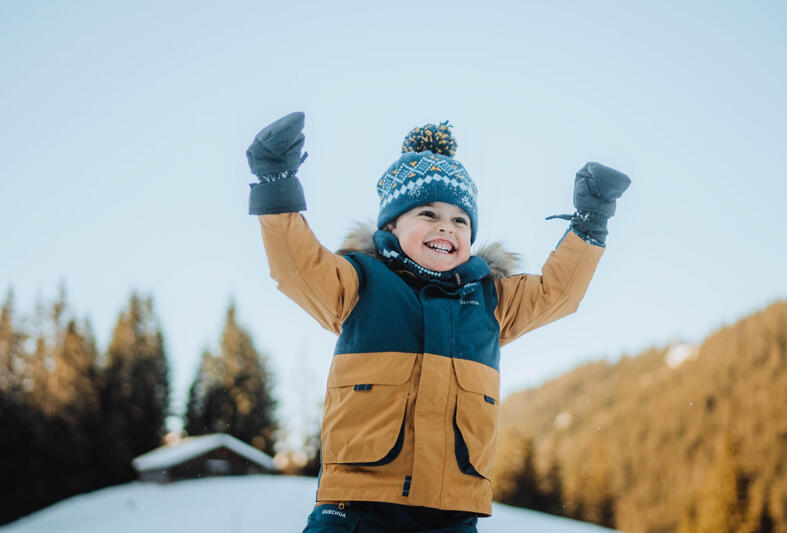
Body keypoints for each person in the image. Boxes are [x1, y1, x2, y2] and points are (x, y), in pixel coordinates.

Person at [245, 112, 630, 532]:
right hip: (357, 507)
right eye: (427, 213)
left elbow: (559, 293)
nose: (446, 225)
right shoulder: (359, 284)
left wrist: (592, 219)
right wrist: (276, 180)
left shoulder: (491, 300)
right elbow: (296, 267)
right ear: (392, 224)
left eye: (460, 219)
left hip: (452, 516)